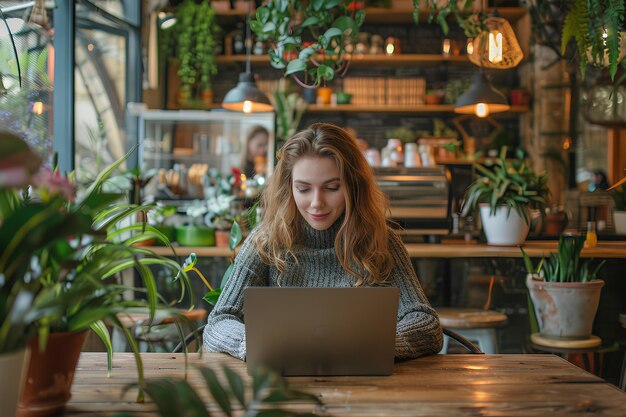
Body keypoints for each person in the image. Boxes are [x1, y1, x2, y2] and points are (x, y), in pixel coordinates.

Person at [204, 123, 443, 360]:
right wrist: (256, 343)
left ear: (353, 185)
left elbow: (426, 324)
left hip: (364, 388)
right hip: (281, 388)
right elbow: (218, 321)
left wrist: (372, 344)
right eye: (303, 189)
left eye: (331, 187)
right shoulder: (266, 241)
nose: (317, 202)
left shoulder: (381, 241)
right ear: (289, 188)